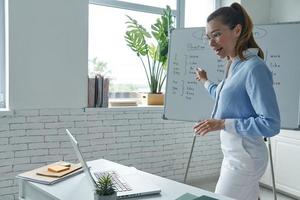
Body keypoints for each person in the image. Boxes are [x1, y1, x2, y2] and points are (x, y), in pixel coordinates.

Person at [194, 3, 280, 200]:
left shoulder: (254, 68)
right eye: (209, 37)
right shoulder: (234, 66)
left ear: (237, 30)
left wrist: (222, 123)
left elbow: (271, 124)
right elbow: (225, 97)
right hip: (234, 154)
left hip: (246, 158)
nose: (211, 43)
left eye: (216, 34)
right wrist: (205, 81)